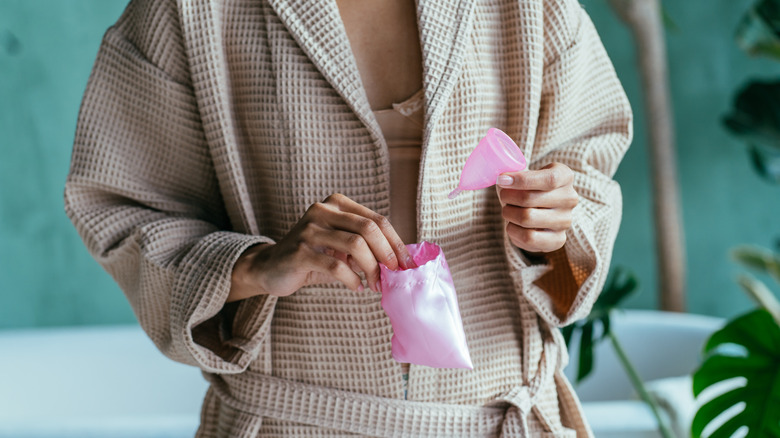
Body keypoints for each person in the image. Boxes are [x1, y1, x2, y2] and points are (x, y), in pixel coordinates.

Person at [65, 0, 632, 436]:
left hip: (495, 419)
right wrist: (255, 265)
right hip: (288, 424)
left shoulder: (533, 9)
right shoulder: (188, 12)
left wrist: (555, 228)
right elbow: (125, 206)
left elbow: (585, 180)